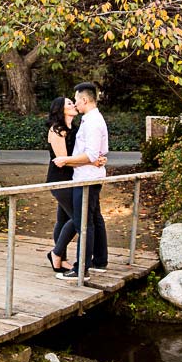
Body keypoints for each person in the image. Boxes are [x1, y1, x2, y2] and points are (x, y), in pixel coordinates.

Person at [53, 82, 109, 279]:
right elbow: (93, 154)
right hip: (84, 177)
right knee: (90, 220)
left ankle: (80, 269)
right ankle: (98, 261)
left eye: (76, 100)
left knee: (83, 224)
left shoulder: (92, 122)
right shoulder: (89, 120)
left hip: (86, 180)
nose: (75, 103)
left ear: (84, 100)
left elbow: (91, 154)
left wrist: (66, 160)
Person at [44, 96, 78, 273]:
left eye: (73, 102)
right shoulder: (57, 130)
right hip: (60, 179)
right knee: (78, 217)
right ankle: (56, 253)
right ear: (60, 109)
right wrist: (90, 162)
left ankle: (60, 259)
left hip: (73, 178)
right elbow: (63, 160)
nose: (73, 104)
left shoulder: (74, 128)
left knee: (63, 219)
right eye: (69, 103)